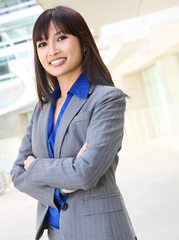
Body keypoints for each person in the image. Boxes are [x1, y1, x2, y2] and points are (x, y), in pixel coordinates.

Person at [10, 6, 137, 240]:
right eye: (42, 44)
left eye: (61, 38)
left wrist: (35, 167)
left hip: (101, 232)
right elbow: (17, 173)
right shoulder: (41, 110)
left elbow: (85, 173)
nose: (52, 50)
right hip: (56, 233)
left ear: (84, 42)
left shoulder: (107, 99)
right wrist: (58, 190)